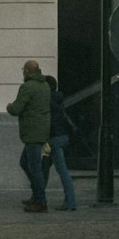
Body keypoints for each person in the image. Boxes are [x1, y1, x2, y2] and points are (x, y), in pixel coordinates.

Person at [6, 57, 52, 213]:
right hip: (42, 131)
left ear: (27, 71)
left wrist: (9, 106)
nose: (22, 73)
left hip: (32, 132)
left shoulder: (27, 87)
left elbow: (16, 109)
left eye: (23, 70)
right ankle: (36, 194)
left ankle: (40, 200)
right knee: (25, 163)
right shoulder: (45, 85)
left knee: (33, 167)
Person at [42, 73, 77, 211]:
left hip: (54, 139)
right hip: (63, 137)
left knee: (62, 171)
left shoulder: (48, 101)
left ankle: (70, 202)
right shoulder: (59, 98)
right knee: (43, 167)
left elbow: (49, 122)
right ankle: (38, 197)